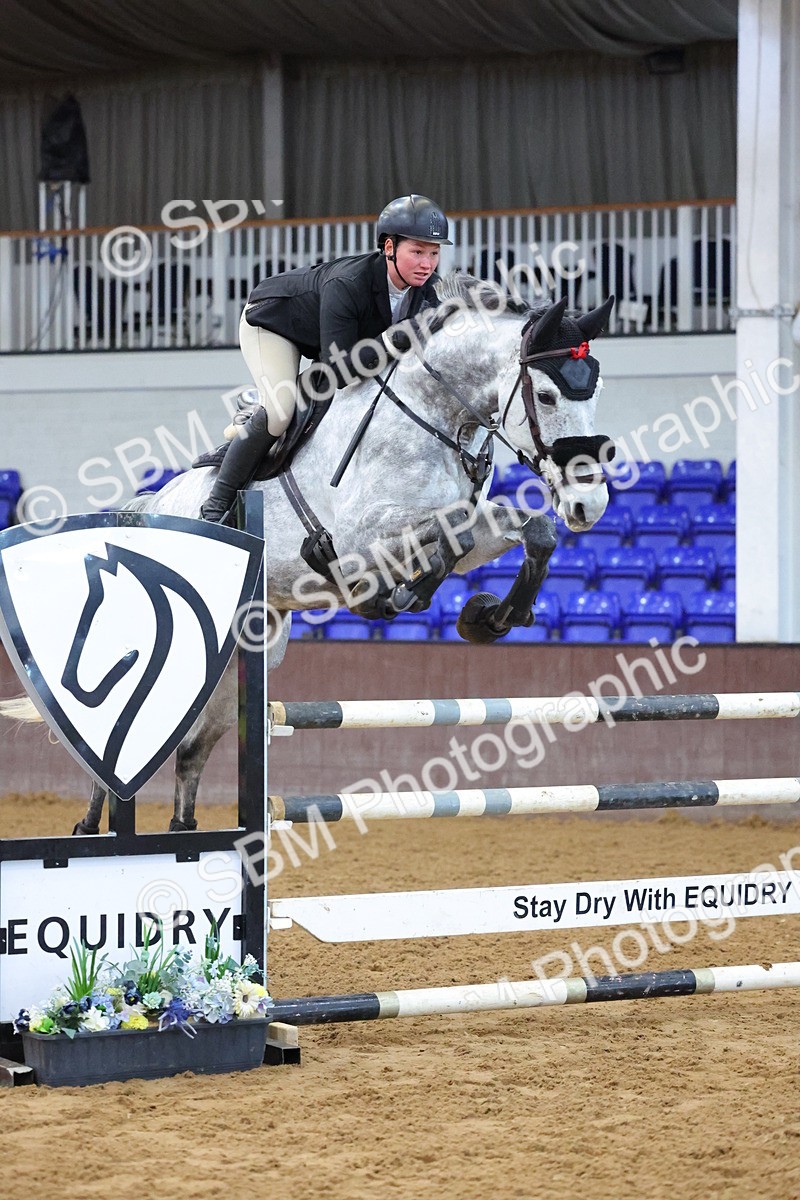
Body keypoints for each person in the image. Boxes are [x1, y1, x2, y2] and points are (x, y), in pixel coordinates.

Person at [201, 194, 452, 522]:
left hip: (330, 342)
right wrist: (395, 339)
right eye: (417, 252)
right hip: (275, 324)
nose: (427, 264)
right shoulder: (348, 284)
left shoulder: (429, 293)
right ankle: (214, 508)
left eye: (434, 253)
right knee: (280, 411)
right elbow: (338, 371)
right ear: (389, 247)